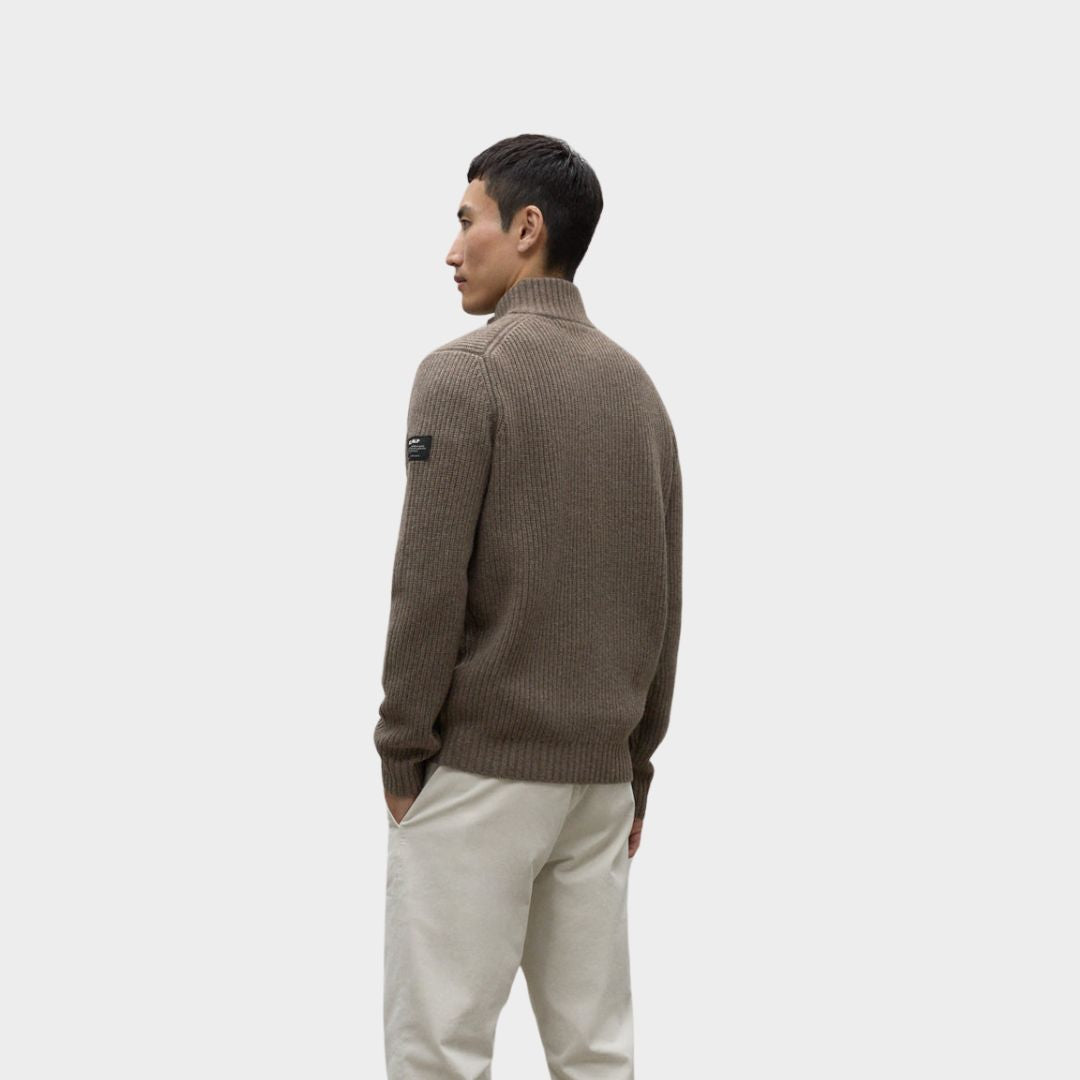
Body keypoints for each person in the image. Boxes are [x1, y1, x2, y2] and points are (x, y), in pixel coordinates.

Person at [374, 133, 683, 1079]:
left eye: (468, 220)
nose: (452, 248)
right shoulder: (640, 393)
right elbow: (664, 599)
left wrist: (401, 749)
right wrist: (635, 769)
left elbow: (429, 583)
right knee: (595, 1055)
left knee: (439, 1054)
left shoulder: (464, 374)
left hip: (482, 773)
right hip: (599, 788)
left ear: (528, 228)